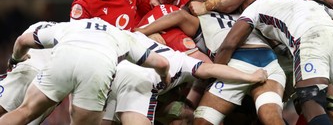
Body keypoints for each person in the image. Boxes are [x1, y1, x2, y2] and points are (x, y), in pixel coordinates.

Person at [214, 0, 333, 125]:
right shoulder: (300, 0)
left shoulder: (253, 7)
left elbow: (229, 44)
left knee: (310, 103)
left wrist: (216, 73)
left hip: (310, 39)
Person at [0, 18, 172, 125]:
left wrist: (15, 59)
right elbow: (162, 63)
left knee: (25, 111)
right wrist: (165, 78)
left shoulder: (69, 27)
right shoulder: (122, 35)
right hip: (96, 67)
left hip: (63, 59)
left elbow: (22, 41)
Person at [102, 29, 268, 125]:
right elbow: (212, 69)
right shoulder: (182, 61)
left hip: (109, 77)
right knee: (184, 114)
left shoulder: (135, 35)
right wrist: (250, 77)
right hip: (139, 84)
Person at [0, 22, 56, 125]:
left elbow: (21, 41)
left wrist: (14, 59)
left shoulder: (42, 24)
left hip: (27, 70)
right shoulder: (79, 39)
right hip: (50, 86)